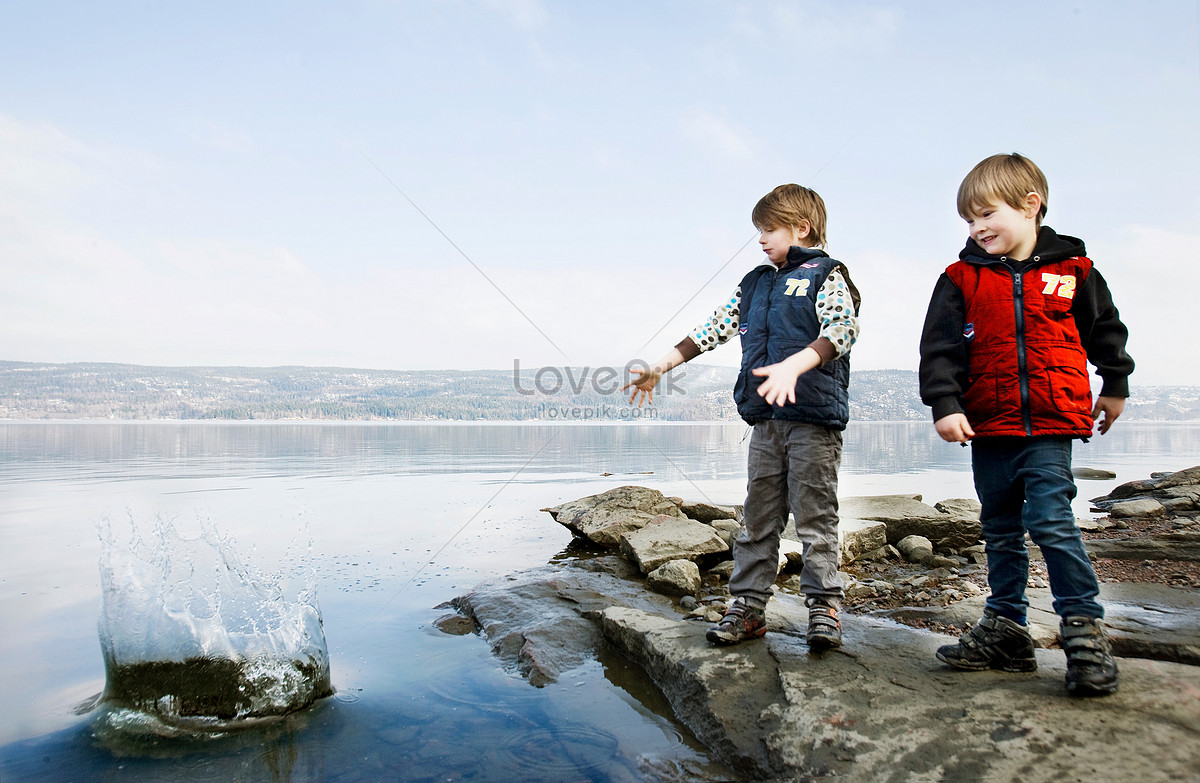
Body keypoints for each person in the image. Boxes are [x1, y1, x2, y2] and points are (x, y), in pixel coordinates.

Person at [919, 152, 1134, 697]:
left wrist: (1114, 383)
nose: (977, 228)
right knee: (999, 529)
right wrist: (945, 405)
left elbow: (1104, 331)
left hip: (1049, 426)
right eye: (969, 220)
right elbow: (940, 351)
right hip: (987, 425)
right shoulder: (960, 278)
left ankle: (1083, 628)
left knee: (1051, 521)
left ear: (1030, 205)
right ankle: (1007, 628)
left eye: (986, 214)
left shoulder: (1076, 272)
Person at [624, 183, 861, 651]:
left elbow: (843, 328)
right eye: (759, 230)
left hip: (813, 420)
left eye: (769, 229)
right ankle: (748, 608)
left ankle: (823, 608)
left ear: (802, 228)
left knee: (816, 518)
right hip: (766, 423)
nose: (760, 239)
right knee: (758, 516)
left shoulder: (826, 275)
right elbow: (714, 328)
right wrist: (660, 367)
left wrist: (797, 364)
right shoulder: (754, 283)